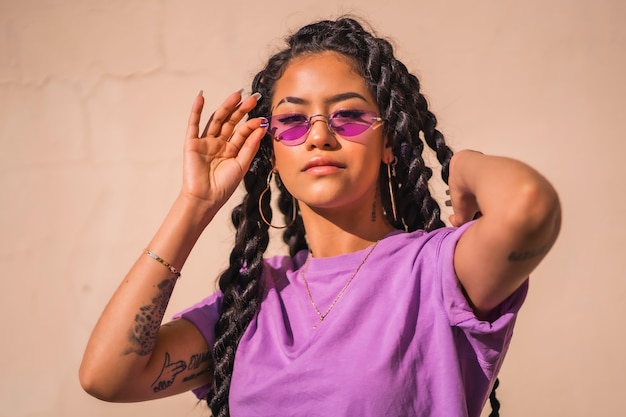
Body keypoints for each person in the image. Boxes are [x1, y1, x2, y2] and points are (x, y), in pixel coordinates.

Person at [79, 17, 561, 417]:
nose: (318, 136)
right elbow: (108, 376)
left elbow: (528, 205)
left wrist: (461, 163)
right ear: (269, 150)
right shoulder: (250, 303)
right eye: (291, 120)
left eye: (348, 116)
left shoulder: (437, 270)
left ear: (390, 141)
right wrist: (195, 204)